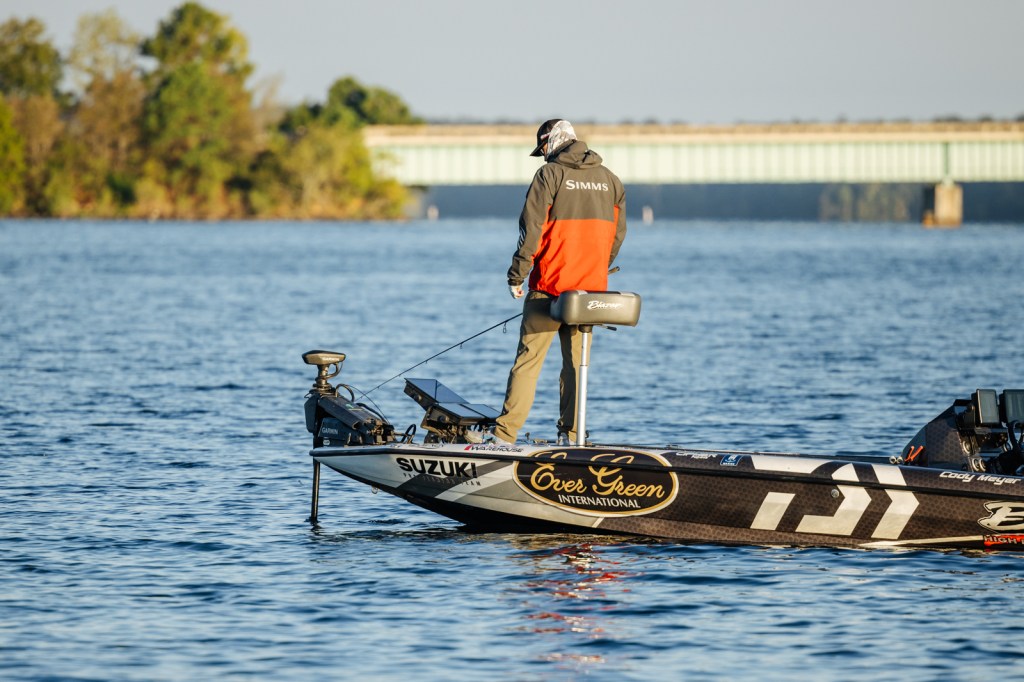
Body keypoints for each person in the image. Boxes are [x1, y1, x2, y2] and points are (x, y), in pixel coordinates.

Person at [488, 119, 627, 445]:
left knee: (528, 364)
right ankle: (572, 437)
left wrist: (517, 275)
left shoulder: (548, 175)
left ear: (551, 142)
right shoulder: (611, 180)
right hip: (588, 294)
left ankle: (503, 438)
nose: (544, 155)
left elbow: (531, 230)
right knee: (577, 365)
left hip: (548, 289)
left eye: (543, 149)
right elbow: (617, 236)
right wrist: (596, 269)